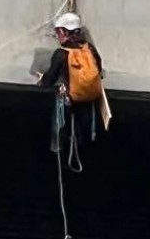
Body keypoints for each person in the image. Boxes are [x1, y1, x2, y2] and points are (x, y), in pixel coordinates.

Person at [36, 12, 106, 165]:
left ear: (63, 32)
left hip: (69, 102)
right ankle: (85, 156)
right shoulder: (90, 49)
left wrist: (42, 79)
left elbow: (49, 80)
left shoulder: (61, 54)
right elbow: (99, 70)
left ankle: (58, 151)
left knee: (61, 131)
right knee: (84, 136)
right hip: (89, 100)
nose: (57, 36)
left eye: (58, 32)